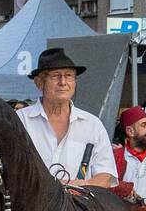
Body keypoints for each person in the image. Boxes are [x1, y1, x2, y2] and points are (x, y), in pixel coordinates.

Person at [17, 48, 115, 187]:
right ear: (39, 83)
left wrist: (80, 185)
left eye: (69, 75)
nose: (63, 82)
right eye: (55, 76)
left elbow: (105, 176)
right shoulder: (20, 121)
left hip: (78, 206)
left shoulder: (92, 125)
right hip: (31, 207)